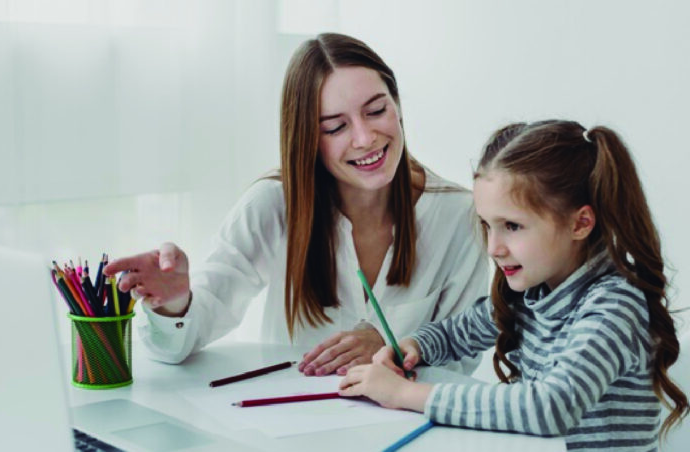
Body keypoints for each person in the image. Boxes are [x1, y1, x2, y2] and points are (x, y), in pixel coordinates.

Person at [338, 120, 689, 452]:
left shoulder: (614, 305)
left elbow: (550, 406)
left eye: (512, 226)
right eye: (487, 226)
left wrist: (407, 395)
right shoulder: (530, 290)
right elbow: (458, 332)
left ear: (580, 223)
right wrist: (414, 346)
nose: (494, 247)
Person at [103, 33, 488, 376]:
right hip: (292, 430)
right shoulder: (273, 203)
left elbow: (461, 362)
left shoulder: (459, 216)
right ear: (307, 137)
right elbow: (184, 339)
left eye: (376, 111)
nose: (365, 137)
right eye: (335, 127)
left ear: (398, 105)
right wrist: (174, 304)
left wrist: (394, 351)